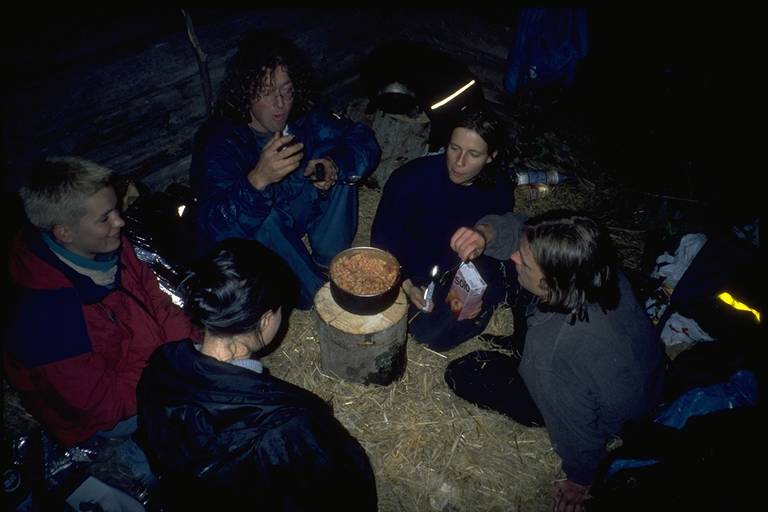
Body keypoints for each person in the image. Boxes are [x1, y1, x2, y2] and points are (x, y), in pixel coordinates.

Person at [445, 210, 665, 512]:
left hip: (609, 415)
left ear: (552, 283)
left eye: (525, 261)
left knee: (464, 372)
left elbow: (577, 427)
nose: (515, 257)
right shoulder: (594, 266)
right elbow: (525, 231)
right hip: (643, 377)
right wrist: (484, 234)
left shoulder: (550, 351)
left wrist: (580, 477)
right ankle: (522, 337)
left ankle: (522, 369)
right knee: (515, 272)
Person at [136, 238, 378, 511]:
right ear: (266, 321)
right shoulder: (288, 423)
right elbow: (344, 489)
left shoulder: (161, 365)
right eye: (281, 310)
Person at [3, 156, 199, 486]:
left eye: (116, 209)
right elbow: (99, 405)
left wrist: (189, 345)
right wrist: (174, 376)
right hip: (110, 412)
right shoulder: (44, 319)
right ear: (64, 232)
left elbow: (157, 301)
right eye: (105, 217)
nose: (120, 222)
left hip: (155, 362)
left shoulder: (109, 246)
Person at [190, 30, 381, 310]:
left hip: (297, 208)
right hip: (265, 237)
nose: (280, 104)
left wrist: (334, 164)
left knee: (340, 164)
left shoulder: (305, 118)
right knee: (264, 218)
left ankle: (331, 259)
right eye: (267, 92)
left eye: (287, 90)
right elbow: (214, 230)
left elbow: (363, 140)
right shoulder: (220, 141)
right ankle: (317, 298)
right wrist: (257, 180)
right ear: (246, 92)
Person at [370, 105, 515, 351]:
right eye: (454, 148)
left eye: (473, 154)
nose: (459, 162)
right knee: (422, 330)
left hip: (464, 271)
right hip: (414, 269)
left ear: (491, 156)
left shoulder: (498, 188)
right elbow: (384, 239)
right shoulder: (410, 179)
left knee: (443, 327)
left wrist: (479, 292)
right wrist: (405, 283)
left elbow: (493, 248)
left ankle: (486, 305)